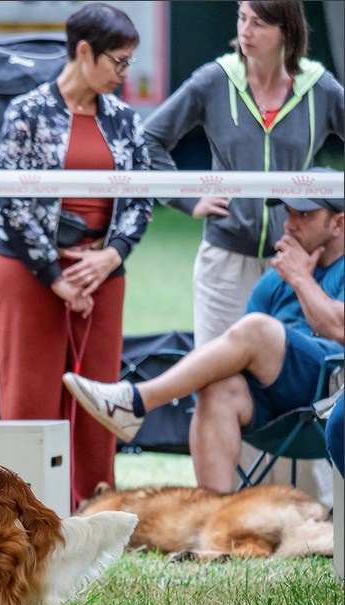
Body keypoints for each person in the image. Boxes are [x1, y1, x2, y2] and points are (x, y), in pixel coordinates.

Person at [64, 192, 343, 493]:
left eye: (304, 216)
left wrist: (301, 278)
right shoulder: (275, 280)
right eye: (287, 213)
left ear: (338, 224)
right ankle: (214, 525)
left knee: (256, 327)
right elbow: (244, 350)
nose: (288, 225)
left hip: (330, 391)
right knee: (215, 389)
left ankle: (137, 401)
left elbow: (337, 327)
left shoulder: (305, 273)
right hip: (276, 404)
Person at [0, 2, 152, 509]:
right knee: (29, 399)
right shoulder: (27, 112)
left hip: (102, 272)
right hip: (29, 271)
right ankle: (23, 511)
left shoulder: (126, 119)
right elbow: (10, 202)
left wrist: (110, 257)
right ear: (84, 52)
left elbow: (142, 196)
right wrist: (54, 276)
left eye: (129, 63)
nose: (125, 75)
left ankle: (95, 508)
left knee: (99, 397)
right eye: (118, 62)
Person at [143, 1, 344, 348]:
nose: (245, 31)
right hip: (224, 263)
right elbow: (148, 140)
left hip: (294, 263)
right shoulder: (213, 79)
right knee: (215, 381)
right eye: (242, 18)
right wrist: (186, 199)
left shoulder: (320, 87)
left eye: (259, 24)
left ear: (286, 31)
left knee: (286, 387)